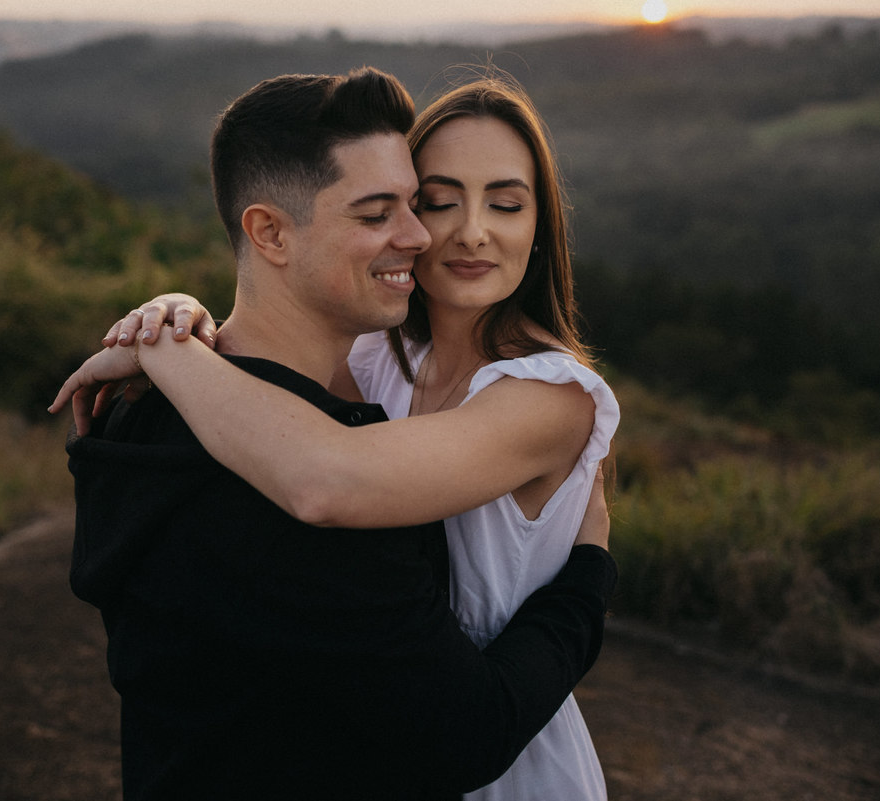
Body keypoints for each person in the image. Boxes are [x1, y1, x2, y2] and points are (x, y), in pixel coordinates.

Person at [51, 68, 617, 801]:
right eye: (420, 203)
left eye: (506, 203)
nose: (437, 233)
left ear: (543, 222)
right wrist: (176, 327)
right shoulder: (359, 374)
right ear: (269, 231)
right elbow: (322, 473)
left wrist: (169, 343)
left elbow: (323, 463)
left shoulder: (541, 396)